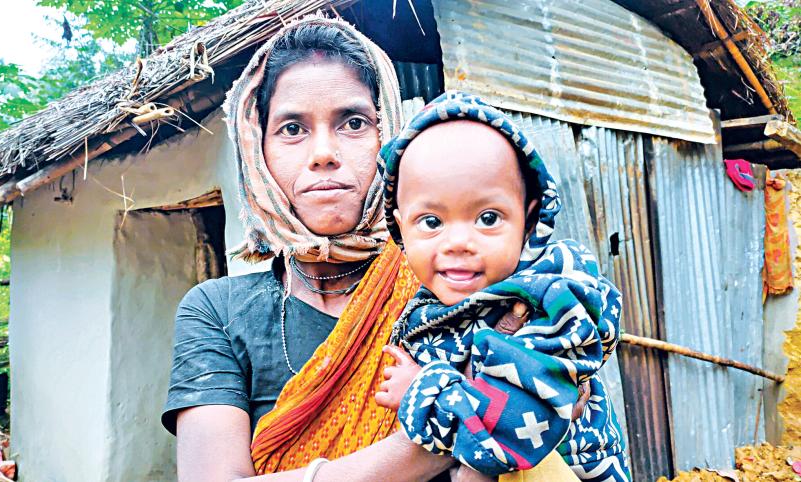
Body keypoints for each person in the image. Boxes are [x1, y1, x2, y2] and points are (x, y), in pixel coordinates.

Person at [163, 15, 584, 482]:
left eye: (354, 122)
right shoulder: (217, 312)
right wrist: (456, 428)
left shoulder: (462, 274)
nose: (323, 153)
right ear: (256, 149)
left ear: (390, 135)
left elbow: (560, 406)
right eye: (292, 129)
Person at [374, 92, 630, 482]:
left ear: (528, 220)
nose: (458, 243)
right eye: (431, 222)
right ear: (401, 227)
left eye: (488, 218)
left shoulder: (552, 300)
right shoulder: (432, 306)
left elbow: (515, 431)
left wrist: (420, 391)